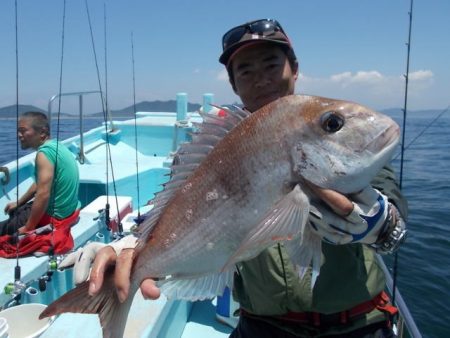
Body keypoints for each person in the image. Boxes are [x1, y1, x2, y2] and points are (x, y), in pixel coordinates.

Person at [67, 19, 407, 337]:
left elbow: (393, 209)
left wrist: (385, 224)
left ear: (295, 68)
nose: (261, 79)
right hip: (262, 325)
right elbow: (172, 208)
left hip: (359, 323)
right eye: (245, 70)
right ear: (233, 84)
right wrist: (130, 244)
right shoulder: (200, 153)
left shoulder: (353, 158)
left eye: (271, 64)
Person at [0, 111, 80, 256]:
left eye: (23, 131)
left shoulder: (43, 154)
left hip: (54, 217)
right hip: (68, 211)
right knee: (15, 211)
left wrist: (28, 227)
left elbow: (43, 194)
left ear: (42, 132)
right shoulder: (57, 146)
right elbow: (40, 183)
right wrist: (19, 202)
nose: (19, 135)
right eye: (18, 131)